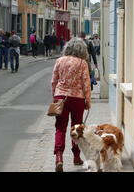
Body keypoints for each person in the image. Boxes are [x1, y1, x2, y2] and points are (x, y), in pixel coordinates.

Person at [51, 38, 92, 172]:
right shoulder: (82, 63)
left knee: (60, 128)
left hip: (60, 96)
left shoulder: (60, 61)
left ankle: (59, 157)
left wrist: (55, 97)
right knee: (76, 128)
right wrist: (88, 101)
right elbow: (86, 84)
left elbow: (54, 81)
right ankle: (76, 157)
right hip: (77, 98)